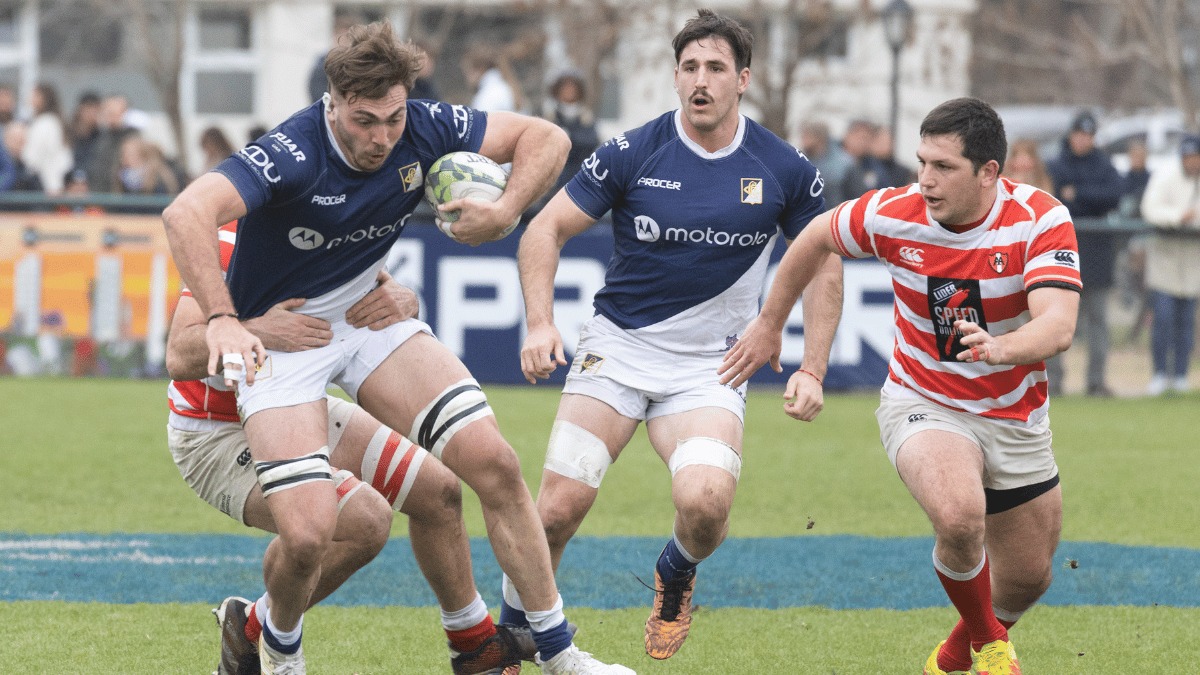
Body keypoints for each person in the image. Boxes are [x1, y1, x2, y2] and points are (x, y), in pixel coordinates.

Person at [161, 19, 629, 675]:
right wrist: (229, 321)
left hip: (358, 324)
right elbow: (184, 217)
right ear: (332, 104)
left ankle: (550, 650)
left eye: (393, 118)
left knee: (487, 465)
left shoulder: (423, 127)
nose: (382, 138)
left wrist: (506, 211)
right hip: (257, 380)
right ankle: (275, 648)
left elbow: (545, 137)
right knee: (315, 530)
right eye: (364, 121)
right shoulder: (285, 163)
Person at [501, 9, 842, 667]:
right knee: (556, 511)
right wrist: (540, 321)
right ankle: (512, 635)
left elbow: (825, 259)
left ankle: (676, 570)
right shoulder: (633, 150)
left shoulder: (782, 166)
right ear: (676, 76)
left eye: (715, 68)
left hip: (712, 365)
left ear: (743, 79)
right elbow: (545, 229)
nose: (700, 81)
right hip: (618, 349)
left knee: (705, 506)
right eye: (689, 67)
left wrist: (814, 366)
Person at [720, 97, 1081, 675]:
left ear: (989, 172)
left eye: (944, 167)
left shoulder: (1039, 218)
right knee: (959, 517)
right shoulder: (893, 211)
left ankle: (952, 658)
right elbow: (814, 239)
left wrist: (1000, 347)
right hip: (924, 400)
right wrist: (771, 325)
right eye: (922, 162)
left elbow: (1058, 326)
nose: (926, 179)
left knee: (1028, 576)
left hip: (1015, 415)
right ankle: (993, 648)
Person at [167, 222, 541, 675]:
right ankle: (259, 636)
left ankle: (474, 646)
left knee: (438, 490)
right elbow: (179, 354)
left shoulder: (331, 224)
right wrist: (256, 331)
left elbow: (378, 295)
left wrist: (403, 297)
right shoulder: (232, 238)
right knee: (362, 522)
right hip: (215, 432)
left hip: (299, 407)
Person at [1046, 111, 1122, 397]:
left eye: (1088, 135)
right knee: (1054, 319)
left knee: (1098, 322)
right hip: (1060, 254)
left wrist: (1077, 195)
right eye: (1079, 134)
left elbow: (1115, 195)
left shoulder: (1104, 164)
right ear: (1071, 135)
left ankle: (1095, 381)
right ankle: (1053, 382)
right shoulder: (1056, 164)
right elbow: (1053, 199)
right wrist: (1088, 199)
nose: (1082, 140)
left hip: (1097, 253)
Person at [1138, 134, 1200, 396]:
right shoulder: (1165, 175)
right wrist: (1177, 217)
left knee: (1186, 323)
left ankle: (1181, 375)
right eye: (1188, 157)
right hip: (1165, 260)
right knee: (1163, 319)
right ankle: (1160, 374)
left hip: (1193, 262)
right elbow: (1150, 208)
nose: (1192, 162)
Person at [541, 69, 599, 195]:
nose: (569, 91)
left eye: (573, 87)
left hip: (579, 179)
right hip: (554, 181)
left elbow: (591, 143)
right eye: (565, 87)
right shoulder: (550, 118)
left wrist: (568, 137)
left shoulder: (586, 118)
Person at [21, 82, 74, 195]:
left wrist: (53, 184)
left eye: (35, 95)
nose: (31, 99)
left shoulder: (47, 123)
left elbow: (48, 157)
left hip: (46, 184)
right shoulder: (44, 121)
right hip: (44, 182)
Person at [799, 120, 852, 207]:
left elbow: (854, 194)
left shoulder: (844, 164)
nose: (803, 140)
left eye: (807, 136)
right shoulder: (801, 160)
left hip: (836, 211)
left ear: (819, 138)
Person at [462, 43, 522, 113]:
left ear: (480, 69)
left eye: (467, 71)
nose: (466, 77)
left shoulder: (485, 97)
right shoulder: (509, 88)